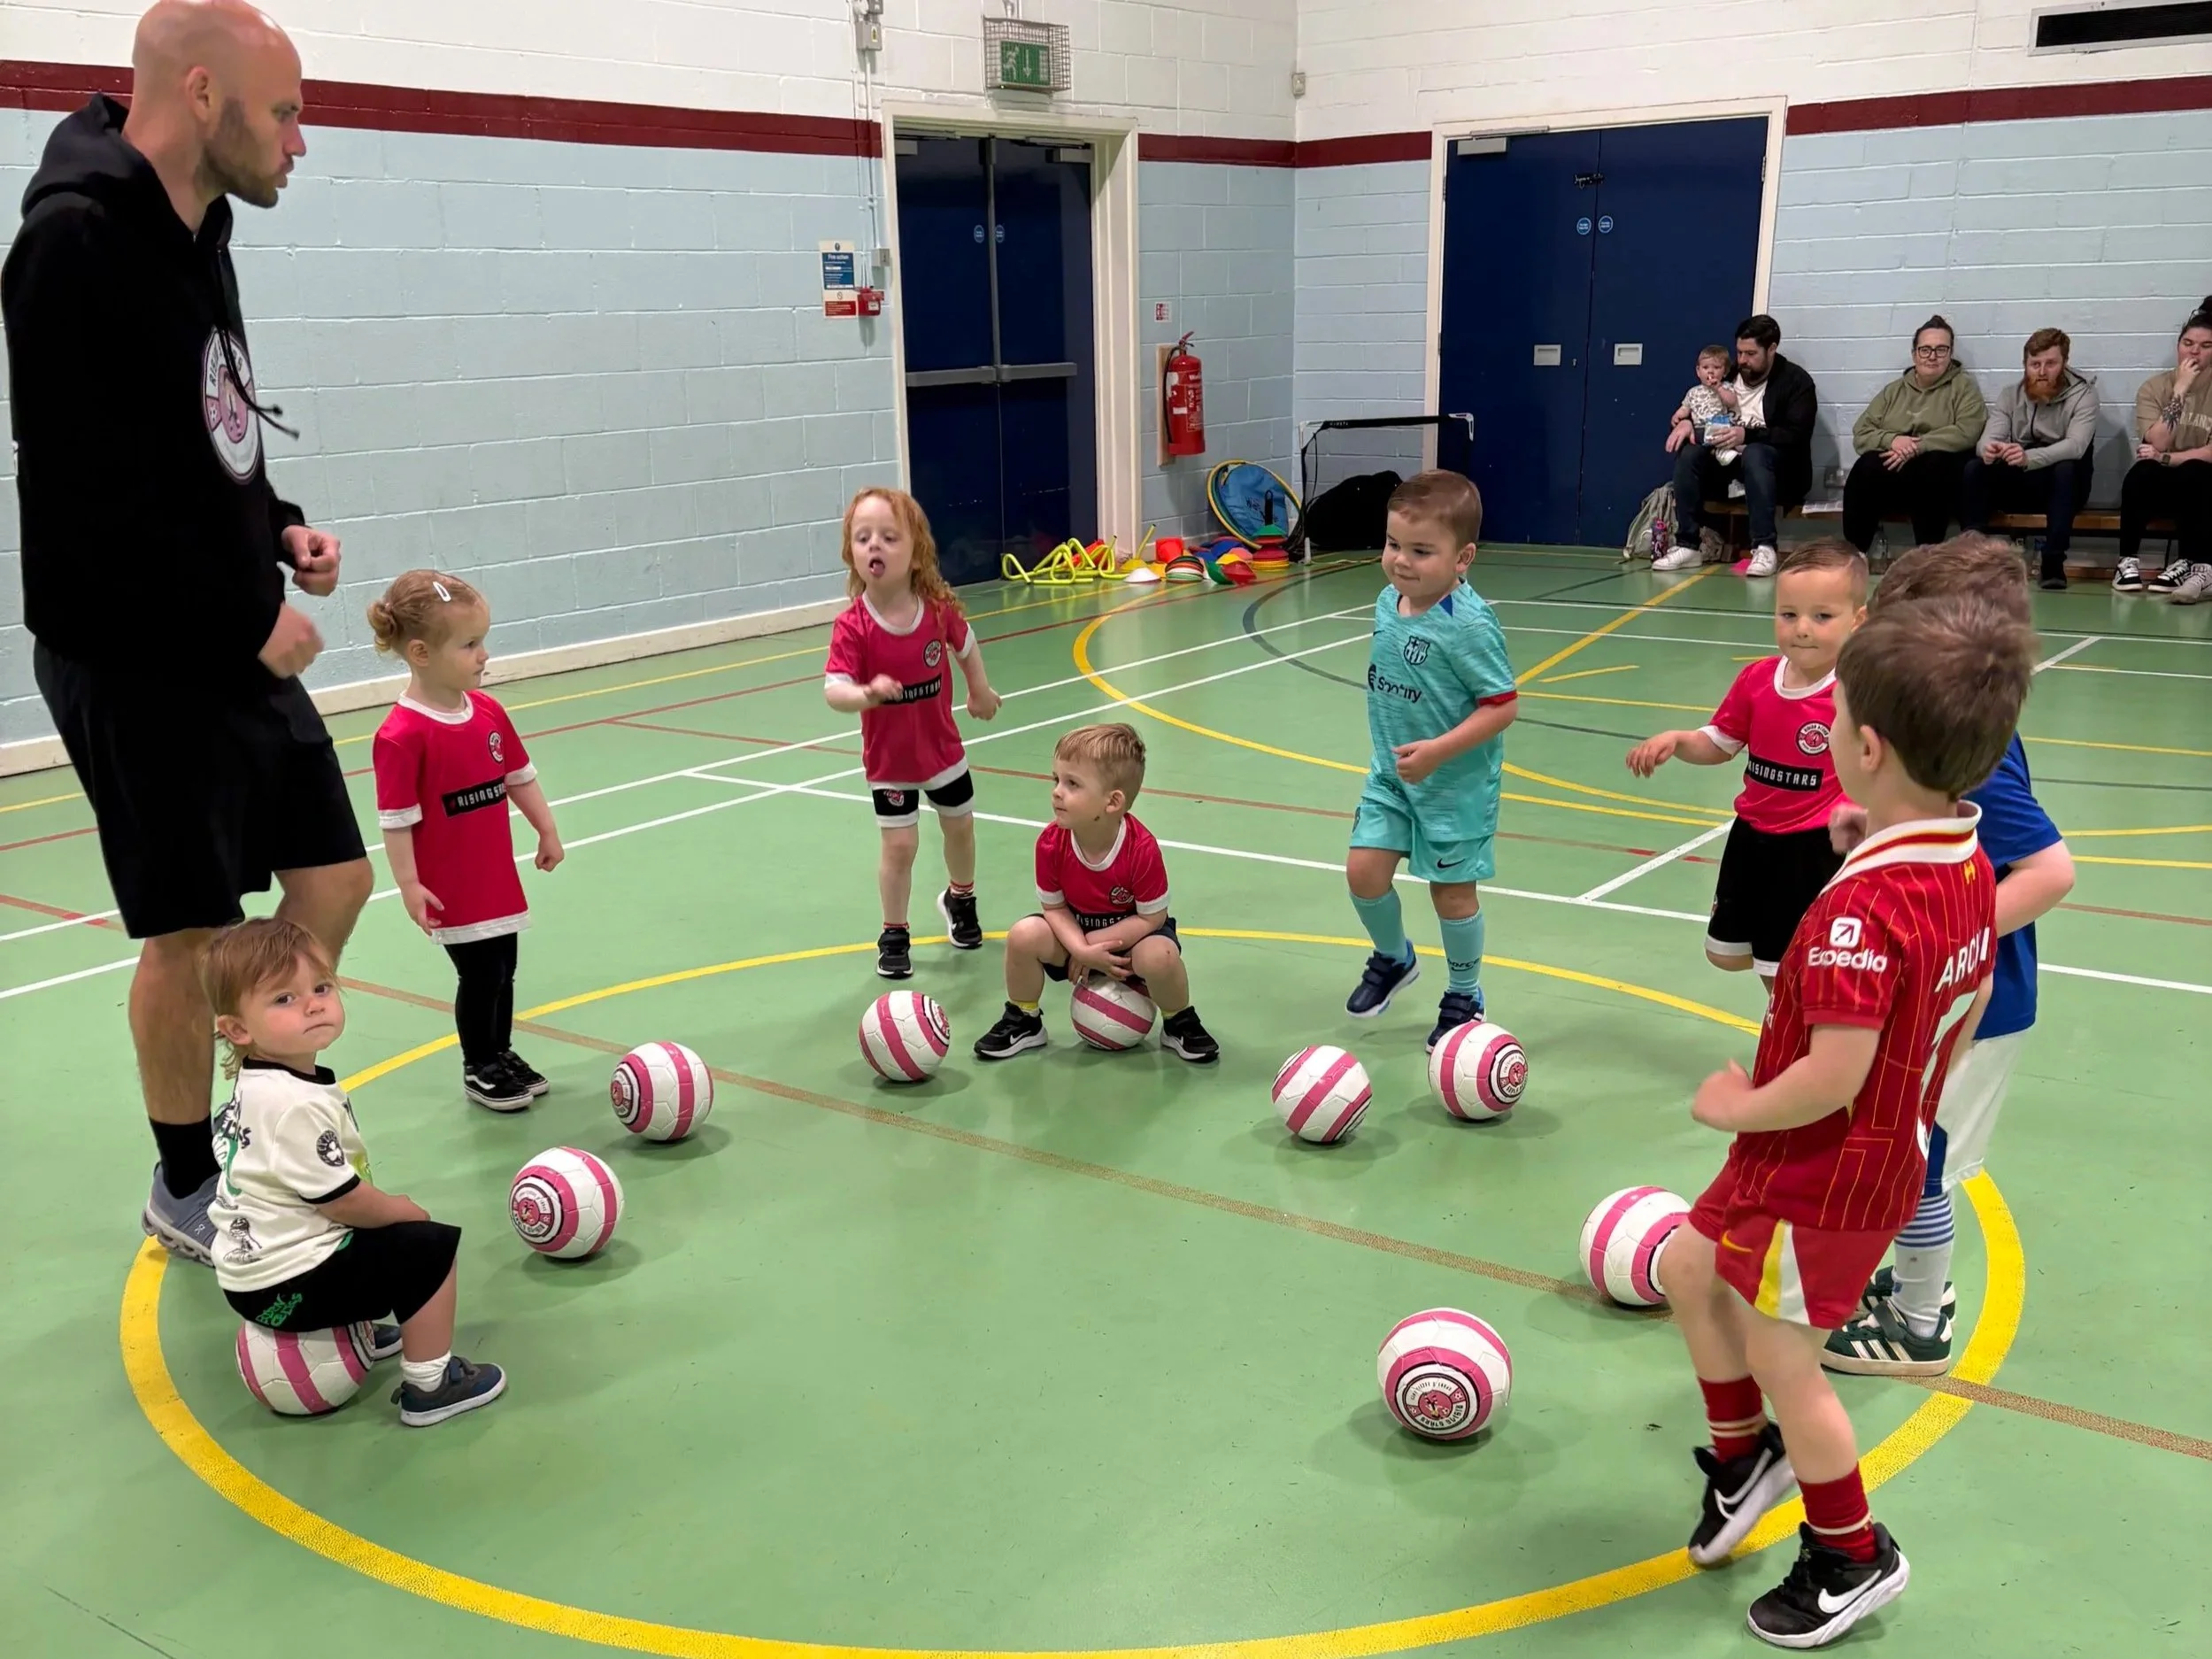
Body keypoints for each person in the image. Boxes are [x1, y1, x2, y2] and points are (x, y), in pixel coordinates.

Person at [3, 0, 371, 1265]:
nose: (299, 142)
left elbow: (199, 429)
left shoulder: (200, 228)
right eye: (284, 112)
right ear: (203, 94)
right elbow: (89, 501)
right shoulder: (70, 246)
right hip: (129, 649)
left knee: (331, 874)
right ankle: (185, 1179)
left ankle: (261, 1084)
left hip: (227, 623)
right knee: (189, 931)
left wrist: (277, 525)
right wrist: (243, 614)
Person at [1662, 595, 2031, 1650]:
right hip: (1854, 1153)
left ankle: (1851, 1553)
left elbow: (1832, 1074)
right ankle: (1745, 1461)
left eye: (1833, 719)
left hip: (1820, 1169)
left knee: (1792, 1363)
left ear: (1863, 746)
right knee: (1690, 1265)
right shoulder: (1963, 858)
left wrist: (1730, 1101)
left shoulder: (1855, 915)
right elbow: (1952, 1014)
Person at [1822, 536, 2074, 1377]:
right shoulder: (1944, 740)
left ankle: (1918, 1322)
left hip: (1975, 1003)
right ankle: (1914, 1282)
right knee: (1905, 1148)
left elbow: (2049, 870)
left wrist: (1947, 938)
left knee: (1912, 1156)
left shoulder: (1987, 761)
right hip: (1951, 1000)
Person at [206, 917, 506, 1427]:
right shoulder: (293, 1104)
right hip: (286, 1285)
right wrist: (400, 1210)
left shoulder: (261, 1084)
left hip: (250, 1272)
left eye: (320, 988)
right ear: (236, 1029)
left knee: (362, 1237)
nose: (312, 1004)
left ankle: (356, 1320)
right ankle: (431, 1385)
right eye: (283, 999)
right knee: (426, 1247)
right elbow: (341, 1201)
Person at [1624, 541, 1867, 991]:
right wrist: (1678, 740)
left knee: (1792, 964)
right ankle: (1791, 1032)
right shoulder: (1757, 680)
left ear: (1858, 620)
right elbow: (1720, 743)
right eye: (1789, 614)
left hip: (1815, 847)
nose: (1803, 629)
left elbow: (1881, 766)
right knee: (1732, 954)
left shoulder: (1857, 693)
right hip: (1752, 838)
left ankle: (1795, 1047)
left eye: (1822, 616)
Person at [369, 572, 566, 1113]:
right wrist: (409, 884)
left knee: (505, 969)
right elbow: (396, 820)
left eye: (483, 640)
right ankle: (479, 1065)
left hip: (497, 877)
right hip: (452, 888)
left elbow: (518, 777)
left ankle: (500, 1051)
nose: (485, 655)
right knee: (480, 975)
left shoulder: (489, 713)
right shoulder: (401, 736)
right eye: (470, 644)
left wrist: (545, 828)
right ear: (420, 652)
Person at [1339, 471, 1519, 1052]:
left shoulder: (1467, 625)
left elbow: (1502, 707)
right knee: (1363, 874)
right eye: (1393, 545)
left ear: (1462, 557)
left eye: (1421, 551)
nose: (1401, 561)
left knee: (1451, 894)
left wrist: (1438, 751)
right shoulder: (1386, 602)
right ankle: (1394, 958)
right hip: (1391, 773)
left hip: (1452, 784)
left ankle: (1464, 994)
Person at [823, 488, 1003, 979]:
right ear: (850, 552)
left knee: (960, 829)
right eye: (863, 538)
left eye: (887, 536)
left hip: (943, 749)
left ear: (916, 549)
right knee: (899, 848)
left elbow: (966, 646)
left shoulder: (937, 608)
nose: (874, 547)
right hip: (891, 763)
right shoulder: (853, 626)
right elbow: (833, 691)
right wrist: (866, 693)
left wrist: (980, 691)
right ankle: (894, 931)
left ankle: (959, 898)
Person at [972, 724, 1219, 1063]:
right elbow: (1054, 910)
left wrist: (1094, 944)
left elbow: (1152, 917)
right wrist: (1079, 949)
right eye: (1055, 779)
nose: (1057, 792)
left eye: (1072, 784)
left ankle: (1178, 1021)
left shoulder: (1141, 849)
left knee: (1159, 955)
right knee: (1024, 936)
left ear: (1113, 801)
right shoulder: (1050, 844)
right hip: (1073, 933)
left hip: (1132, 938)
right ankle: (1024, 1018)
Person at [1656, 315, 1819, 578]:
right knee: (1689, 453)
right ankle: (1688, 544)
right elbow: (1701, 407)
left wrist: (1748, 435)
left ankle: (1764, 546)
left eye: (1751, 353)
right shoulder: (1729, 375)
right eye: (1740, 352)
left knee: (1755, 453)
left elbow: (1796, 435)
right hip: (1726, 462)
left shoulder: (1796, 382)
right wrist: (1687, 423)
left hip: (1777, 469)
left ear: (1772, 349)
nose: (1742, 360)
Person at [1960, 328, 2099, 590]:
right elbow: (1986, 440)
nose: (2042, 371)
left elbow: (2076, 446)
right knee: (1974, 468)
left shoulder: (2085, 395)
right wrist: (1990, 450)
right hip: (2022, 479)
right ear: (2025, 365)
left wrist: (2029, 457)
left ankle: (2053, 561)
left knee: (2066, 469)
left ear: (2064, 363)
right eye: (2035, 364)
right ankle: (1972, 556)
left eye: (2051, 364)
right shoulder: (2010, 395)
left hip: (2063, 485)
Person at [1842, 316, 1987, 555]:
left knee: (1934, 465)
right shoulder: (1894, 390)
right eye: (1925, 349)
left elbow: (1968, 431)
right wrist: (1893, 440)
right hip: (1898, 473)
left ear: (1951, 353)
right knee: (1865, 466)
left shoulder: (1964, 387)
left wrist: (1919, 445)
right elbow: (1862, 433)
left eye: (1941, 349)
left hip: (1940, 474)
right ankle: (1853, 554)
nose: (1932, 356)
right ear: (1914, 354)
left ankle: (1927, 556)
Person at [2112, 300, 2212, 600]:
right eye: (2188, 343)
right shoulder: (2154, 387)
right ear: (2178, 346)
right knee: (2141, 472)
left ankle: (2190, 563)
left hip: (2203, 483)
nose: (2194, 351)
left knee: (2195, 471)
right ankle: (2126, 562)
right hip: (2165, 481)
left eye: (2206, 345)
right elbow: (2157, 442)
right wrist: (2180, 390)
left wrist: (2167, 458)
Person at [1671, 344, 1743, 465]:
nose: (1710, 371)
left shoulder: (1726, 387)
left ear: (1725, 372)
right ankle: (1717, 450)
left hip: (1720, 425)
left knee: (1725, 434)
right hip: (1700, 429)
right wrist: (1678, 415)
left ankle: (1722, 451)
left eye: (1716, 367)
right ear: (1698, 372)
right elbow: (1685, 408)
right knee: (1694, 436)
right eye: (1705, 367)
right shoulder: (1693, 392)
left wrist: (1719, 388)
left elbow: (1732, 402)